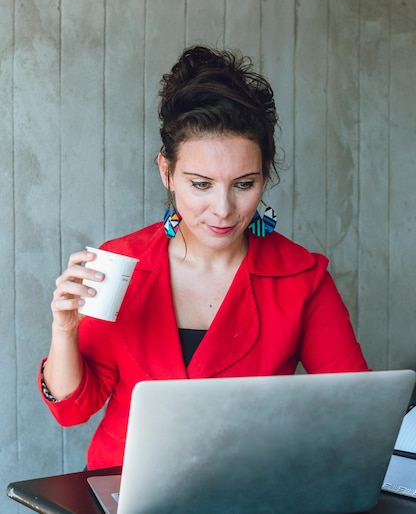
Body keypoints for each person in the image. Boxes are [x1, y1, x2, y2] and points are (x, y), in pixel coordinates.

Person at [39, 45, 368, 470]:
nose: (223, 209)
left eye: (244, 184)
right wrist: (64, 330)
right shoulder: (120, 264)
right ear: (167, 172)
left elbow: (356, 413)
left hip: (246, 491)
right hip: (124, 488)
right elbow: (72, 409)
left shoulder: (302, 276)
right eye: (200, 184)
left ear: (265, 175)